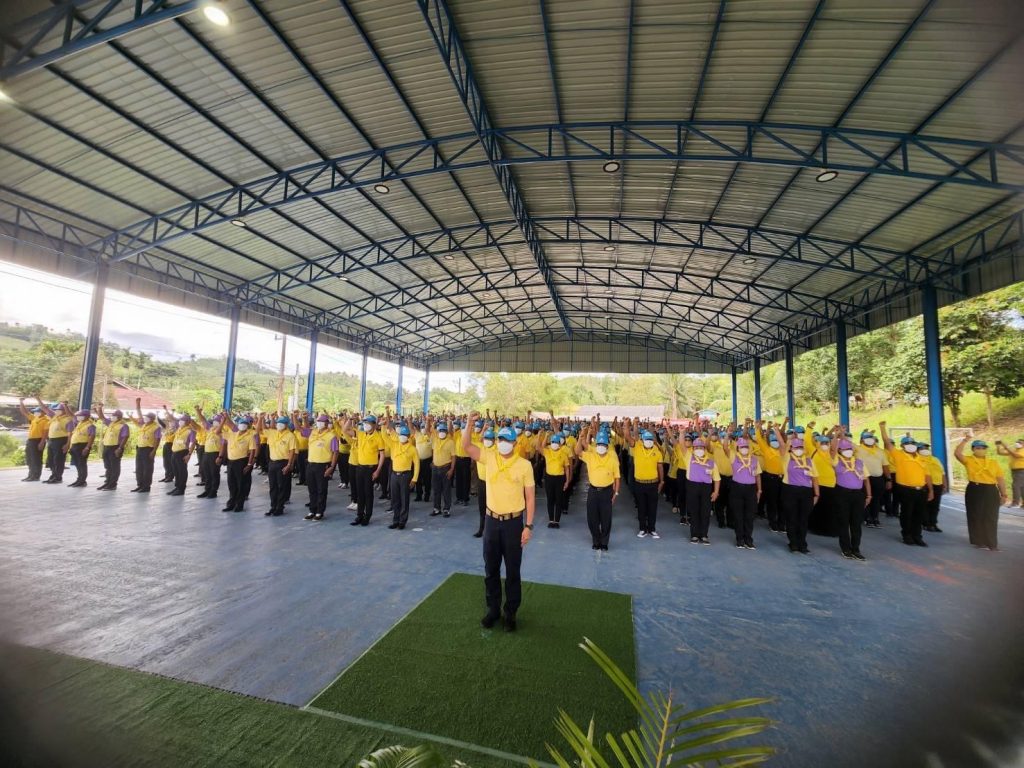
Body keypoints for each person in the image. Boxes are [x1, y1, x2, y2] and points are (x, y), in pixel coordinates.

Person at [461, 413, 536, 632]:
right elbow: (466, 446)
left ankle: (510, 612)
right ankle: (493, 609)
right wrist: (469, 424)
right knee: (491, 568)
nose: (503, 443)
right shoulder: (490, 457)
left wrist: (528, 526)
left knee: (513, 570)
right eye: (500, 439)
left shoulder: (524, 465)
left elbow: (530, 497)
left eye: (507, 440)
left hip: (513, 523)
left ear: (515, 443)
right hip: (491, 522)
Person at [880, 422, 932, 547]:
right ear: (902, 446)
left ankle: (917, 536)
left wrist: (931, 490)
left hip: (921, 490)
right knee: (907, 513)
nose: (910, 446)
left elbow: (927, 475)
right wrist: (882, 428)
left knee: (919, 514)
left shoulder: (921, 458)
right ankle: (907, 535)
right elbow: (887, 442)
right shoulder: (898, 455)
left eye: (912, 443)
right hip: (905, 490)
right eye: (907, 444)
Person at [955, 435, 1008, 551]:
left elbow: (1000, 478)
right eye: (978, 448)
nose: (981, 450)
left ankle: (992, 543)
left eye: (983, 448)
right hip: (975, 488)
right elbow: (957, 453)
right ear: (973, 449)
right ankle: (979, 541)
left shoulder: (993, 462)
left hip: (991, 490)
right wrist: (965, 440)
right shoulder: (968, 460)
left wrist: (1004, 494)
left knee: (991, 516)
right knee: (975, 515)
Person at [574, 423, 621, 551]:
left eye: (603, 445)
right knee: (592, 518)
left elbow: (617, 478)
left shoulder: (612, 459)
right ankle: (596, 540)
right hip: (593, 491)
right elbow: (578, 452)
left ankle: (604, 542)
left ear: (607, 446)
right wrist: (580, 438)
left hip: (607, 492)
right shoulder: (591, 456)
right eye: (599, 444)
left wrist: (616, 493)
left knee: (606, 518)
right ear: (596, 445)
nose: (601, 447)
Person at [775, 425, 818, 554]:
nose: (798, 449)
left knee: (803, 519)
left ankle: (802, 543)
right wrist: (777, 431)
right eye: (796, 447)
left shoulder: (809, 461)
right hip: (790, 490)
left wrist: (817, 494)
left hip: (806, 491)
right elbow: (782, 445)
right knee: (792, 517)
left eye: (800, 447)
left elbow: (815, 477)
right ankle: (793, 543)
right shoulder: (787, 458)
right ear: (791, 448)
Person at [831, 437, 870, 560]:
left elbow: (866, 480)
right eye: (845, 449)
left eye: (850, 449)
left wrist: (869, 495)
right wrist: (837, 436)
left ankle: (856, 549)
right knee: (843, 521)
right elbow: (832, 450)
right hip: (842, 493)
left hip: (858, 494)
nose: (848, 451)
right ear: (840, 450)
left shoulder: (859, 462)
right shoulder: (837, 461)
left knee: (856, 523)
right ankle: (845, 548)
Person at [343, 414, 385, 526]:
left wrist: (378, 470)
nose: (366, 425)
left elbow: (382, 455)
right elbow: (345, 430)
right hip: (360, 467)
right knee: (360, 493)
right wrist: (350, 419)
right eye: (365, 423)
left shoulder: (378, 437)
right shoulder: (361, 434)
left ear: (374, 424)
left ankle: (367, 516)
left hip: (370, 469)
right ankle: (360, 515)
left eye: (368, 423)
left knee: (368, 493)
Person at [625, 421, 663, 539]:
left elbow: (660, 467)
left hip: (653, 483)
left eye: (650, 440)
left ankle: (652, 529)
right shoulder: (637, 447)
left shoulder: (657, 451)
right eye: (646, 440)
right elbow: (627, 436)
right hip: (639, 484)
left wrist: (662, 481)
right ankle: (642, 529)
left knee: (652, 507)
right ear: (642, 440)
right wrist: (627, 425)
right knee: (641, 507)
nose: (648, 442)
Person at [682, 437, 720, 545]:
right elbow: (682, 445)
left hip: (706, 488)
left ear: (704, 449)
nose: (699, 449)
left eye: (701, 447)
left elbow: (717, 479)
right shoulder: (689, 457)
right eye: (697, 447)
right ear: (693, 449)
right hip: (692, 486)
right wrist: (682, 433)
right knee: (694, 511)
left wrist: (716, 492)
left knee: (705, 512)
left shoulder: (711, 462)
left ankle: (704, 535)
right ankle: (694, 535)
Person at [383, 421, 420, 529]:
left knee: (404, 499)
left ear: (408, 436)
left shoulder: (412, 449)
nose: (402, 437)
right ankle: (395, 520)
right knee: (395, 499)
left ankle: (402, 521)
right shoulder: (394, 445)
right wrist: (383, 425)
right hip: (394, 475)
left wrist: (414, 479)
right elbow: (384, 436)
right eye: (400, 435)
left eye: (404, 435)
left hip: (405, 476)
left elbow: (417, 464)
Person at [258, 415, 297, 517]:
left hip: (283, 462)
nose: (279, 425)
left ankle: (279, 507)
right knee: (273, 486)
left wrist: (289, 464)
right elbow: (262, 429)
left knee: (281, 486)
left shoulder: (290, 436)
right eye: (278, 423)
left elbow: (292, 451)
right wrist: (261, 419)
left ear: (286, 425)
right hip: (272, 462)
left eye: (282, 423)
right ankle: (273, 507)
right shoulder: (272, 433)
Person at [727, 437, 761, 549]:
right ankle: (740, 539)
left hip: (751, 489)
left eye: (746, 447)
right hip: (737, 487)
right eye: (742, 447)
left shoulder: (754, 459)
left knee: (749, 515)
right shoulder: (734, 457)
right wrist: (728, 435)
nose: (744, 449)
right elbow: (725, 448)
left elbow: (757, 475)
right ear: (738, 448)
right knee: (738, 515)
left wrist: (759, 489)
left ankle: (748, 539)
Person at [219, 417, 257, 512]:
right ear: (238, 425)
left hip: (241, 461)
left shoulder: (250, 436)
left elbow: (252, 451)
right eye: (241, 423)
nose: (242, 425)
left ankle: (239, 505)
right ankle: (231, 504)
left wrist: (249, 464)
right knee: (231, 484)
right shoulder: (232, 434)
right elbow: (217, 432)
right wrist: (223, 421)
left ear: (248, 426)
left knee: (241, 484)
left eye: (245, 424)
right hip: (231, 462)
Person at [304, 414, 338, 521]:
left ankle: (319, 511)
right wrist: (304, 418)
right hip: (311, 464)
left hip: (323, 465)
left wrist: (331, 467)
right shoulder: (313, 432)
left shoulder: (331, 436)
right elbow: (302, 430)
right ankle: (312, 510)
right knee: (312, 489)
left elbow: (335, 452)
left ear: (327, 423)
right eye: (318, 421)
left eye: (322, 421)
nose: (319, 423)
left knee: (321, 489)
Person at [856, 430, 890, 529]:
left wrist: (888, 479)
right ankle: (866, 518)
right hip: (864, 478)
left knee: (876, 499)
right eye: (867, 438)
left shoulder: (880, 451)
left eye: (871, 438)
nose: (870, 440)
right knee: (865, 498)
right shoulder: (858, 449)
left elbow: (885, 466)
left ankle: (875, 517)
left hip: (878, 478)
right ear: (862, 440)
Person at [755, 421, 784, 533]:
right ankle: (773, 523)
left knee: (782, 502)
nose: (775, 442)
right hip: (771, 479)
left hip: (783, 479)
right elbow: (759, 439)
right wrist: (758, 428)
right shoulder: (766, 450)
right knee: (772, 502)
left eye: (776, 440)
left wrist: (776, 430)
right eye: (773, 441)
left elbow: (782, 442)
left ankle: (782, 523)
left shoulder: (783, 451)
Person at [540, 432, 572, 530]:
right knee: (550, 499)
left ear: (560, 444)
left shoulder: (563, 454)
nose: (554, 444)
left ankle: (557, 521)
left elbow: (567, 468)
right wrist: (545, 436)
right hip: (549, 478)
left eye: (556, 442)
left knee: (559, 500)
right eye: (552, 442)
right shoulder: (547, 452)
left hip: (560, 479)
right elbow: (540, 447)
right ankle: (551, 520)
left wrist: (567, 481)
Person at [95, 405, 130, 491]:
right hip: (107, 446)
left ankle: (112, 484)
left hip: (115, 447)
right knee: (108, 466)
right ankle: (107, 482)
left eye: (115, 416)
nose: (113, 417)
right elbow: (102, 417)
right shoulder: (111, 423)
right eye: (112, 415)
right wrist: (99, 408)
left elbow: (125, 437)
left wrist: (120, 448)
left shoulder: (123, 426)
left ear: (120, 417)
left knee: (114, 466)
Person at [130, 400, 161, 493]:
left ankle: (146, 486)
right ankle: (140, 485)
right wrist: (137, 405)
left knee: (147, 469)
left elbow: (157, 439)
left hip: (148, 449)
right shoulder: (143, 425)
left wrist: (154, 451)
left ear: (152, 419)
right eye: (145, 417)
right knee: (139, 468)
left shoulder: (156, 427)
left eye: (147, 417)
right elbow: (139, 415)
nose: (145, 418)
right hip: (140, 448)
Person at [40, 400, 73, 483]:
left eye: (59, 410)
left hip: (61, 440)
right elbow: (44, 409)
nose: (57, 411)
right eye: (56, 410)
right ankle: (53, 475)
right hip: (51, 440)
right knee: (51, 460)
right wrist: (38, 399)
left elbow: (70, 433)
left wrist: (67, 444)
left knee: (58, 460)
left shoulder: (68, 419)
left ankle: (58, 477)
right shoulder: (54, 417)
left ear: (64, 411)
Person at [428, 415, 455, 518]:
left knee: (446, 490)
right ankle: (436, 508)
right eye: (440, 431)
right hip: (435, 468)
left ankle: (446, 509)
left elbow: (453, 457)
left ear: (447, 432)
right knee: (436, 489)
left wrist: (452, 469)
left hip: (445, 468)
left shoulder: (450, 442)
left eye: (444, 431)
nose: (442, 432)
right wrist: (430, 421)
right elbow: (433, 450)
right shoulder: (435, 439)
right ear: (438, 431)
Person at [195, 407, 225, 499]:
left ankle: (213, 491)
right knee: (207, 473)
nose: (214, 422)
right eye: (214, 421)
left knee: (214, 473)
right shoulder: (210, 429)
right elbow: (203, 421)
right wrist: (198, 412)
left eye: (217, 421)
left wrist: (220, 457)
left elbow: (223, 445)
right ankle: (207, 490)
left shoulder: (223, 432)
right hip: (206, 453)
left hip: (215, 454)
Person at [18, 398, 49, 482]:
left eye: (37, 411)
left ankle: (36, 476)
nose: (35, 413)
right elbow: (24, 412)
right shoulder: (34, 418)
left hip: (38, 440)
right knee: (30, 458)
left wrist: (42, 442)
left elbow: (45, 432)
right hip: (31, 440)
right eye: (35, 412)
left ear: (43, 412)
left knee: (36, 459)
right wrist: (21, 402)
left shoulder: (46, 420)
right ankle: (30, 475)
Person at [473, 427, 497, 538]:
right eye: (486, 438)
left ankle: (492, 530)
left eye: (490, 438)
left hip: (493, 483)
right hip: (482, 482)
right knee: (482, 507)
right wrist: (483, 429)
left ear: (494, 440)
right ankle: (481, 529)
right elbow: (477, 439)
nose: (487, 440)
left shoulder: (497, 450)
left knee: (493, 508)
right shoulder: (480, 447)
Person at [919, 443, 945, 532]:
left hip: (938, 484)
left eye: (926, 448)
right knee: (926, 505)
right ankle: (926, 524)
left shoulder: (935, 459)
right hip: (925, 485)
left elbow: (942, 472)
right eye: (922, 448)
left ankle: (933, 523)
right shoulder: (918, 459)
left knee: (935, 506)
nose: (925, 449)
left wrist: (944, 483)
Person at [66, 409, 96, 487]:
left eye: (80, 415)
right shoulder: (80, 423)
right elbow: (71, 415)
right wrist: (65, 406)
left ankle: (82, 481)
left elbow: (92, 436)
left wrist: (87, 448)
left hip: (82, 446)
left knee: (81, 464)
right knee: (77, 464)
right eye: (78, 415)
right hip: (75, 446)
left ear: (87, 416)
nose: (78, 417)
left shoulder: (90, 425)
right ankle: (79, 479)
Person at [168, 414, 196, 496]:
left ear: (188, 421)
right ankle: (177, 487)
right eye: (180, 420)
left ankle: (181, 489)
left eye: (182, 420)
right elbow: (173, 420)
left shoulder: (190, 431)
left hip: (182, 452)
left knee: (182, 471)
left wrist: (189, 455)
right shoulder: (179, 429)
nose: (180, 421)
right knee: (176, 471)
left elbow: (193, 443)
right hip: (174, 452)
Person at [996, 438, 1024, 508]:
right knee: (1021, 487)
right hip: (1015, 471)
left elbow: (1015, 455)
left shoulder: (1022, 451)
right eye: (1017, 442)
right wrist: (998, 445)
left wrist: (1005, 446)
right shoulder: (1015, 450)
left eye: (1020, 442)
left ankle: (1015, 503)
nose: (1017, 443)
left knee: (1016, 486)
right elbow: (1000, 453)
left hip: (1021, 470)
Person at [413, 418, 432, 502]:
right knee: (418, 479)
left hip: (428, 461)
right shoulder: (418, 435)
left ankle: (427, 495)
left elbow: (433, 450)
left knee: (427, 479)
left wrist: (428, 420)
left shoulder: (431, 436)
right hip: (418, 461)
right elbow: (411, 428)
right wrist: (409, 421)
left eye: (424, 427)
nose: (423, 428)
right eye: (422, 427)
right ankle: (419, 495)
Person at [158, 407, 177, 483]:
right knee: (165, 462)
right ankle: (167, 475)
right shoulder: (167, 427)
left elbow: (172, 418)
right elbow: (160, 422)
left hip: (172, 445)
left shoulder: (175, 426)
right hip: (166, 444)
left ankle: (171, 476)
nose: (167, 419)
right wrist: (157, 415)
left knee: (170, 461)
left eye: (168, 418)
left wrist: (166, 410)